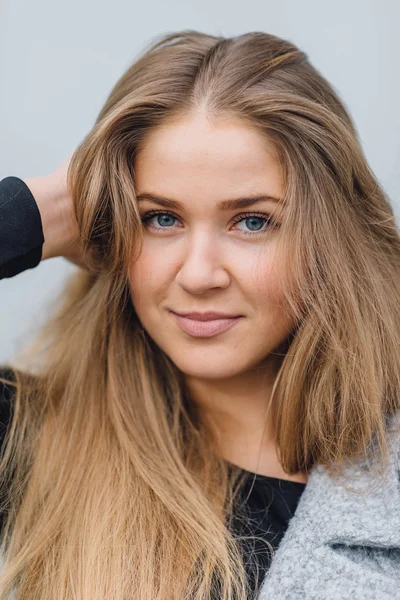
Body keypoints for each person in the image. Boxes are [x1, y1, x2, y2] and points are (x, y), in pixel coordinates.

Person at [0, 29, 400, 600]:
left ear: (330, 238)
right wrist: (42, 209)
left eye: (253, 221)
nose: (198, 274)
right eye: (161, 218)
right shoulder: (38, 444)